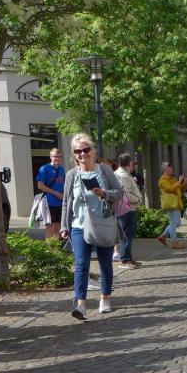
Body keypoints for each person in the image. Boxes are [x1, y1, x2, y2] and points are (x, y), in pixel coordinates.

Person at [59, 133, 124, 320]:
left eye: (85, 150)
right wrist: (64, 226)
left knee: (105, 263)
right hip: (79, 225)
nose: (82, 154)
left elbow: (119, 193)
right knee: (81, 264)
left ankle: (105, 298)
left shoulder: (104, 171)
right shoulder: (72, 175)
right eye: (77, 151)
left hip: (103, 223)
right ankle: (80, 305)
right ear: (74, 154)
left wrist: (104, 193)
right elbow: (66, 202)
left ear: (93, 151)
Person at [114, 153, 142, 270]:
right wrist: (138, 199)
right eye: (132, 162)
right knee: (127, 234)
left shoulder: (121, 174)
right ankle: (124, 259)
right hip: (127, 209)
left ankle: (128, 257)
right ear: (130, 163)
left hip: (126, 208)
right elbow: (126, 194)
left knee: (128, 234)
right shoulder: (123, 176)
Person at [35, 148, 66, 238]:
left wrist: (63, 195)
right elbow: (40, 186)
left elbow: (63, 184)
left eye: (59, 157)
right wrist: (56, 193)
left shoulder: (61, 168)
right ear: (50, 157)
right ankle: (50, 247)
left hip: (60, 202)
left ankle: (55, 247)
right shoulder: (44, 168)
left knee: (58, 227)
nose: (57, 159)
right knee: (50, 227)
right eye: (55, 156)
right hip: (49, 202)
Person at [157, 162, 187, 249]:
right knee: (173, 223)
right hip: (170, 203)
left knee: (177, 223)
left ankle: (162, 236)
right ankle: (174, 242)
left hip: (175, 203)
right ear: (165, 169)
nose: (172, 169)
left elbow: (180, 189)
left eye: (171, 167)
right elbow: (169, 189)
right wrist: (179, 182)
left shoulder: (173, 178)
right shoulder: (162, 180)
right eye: (170, 167)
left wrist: (185, 181)